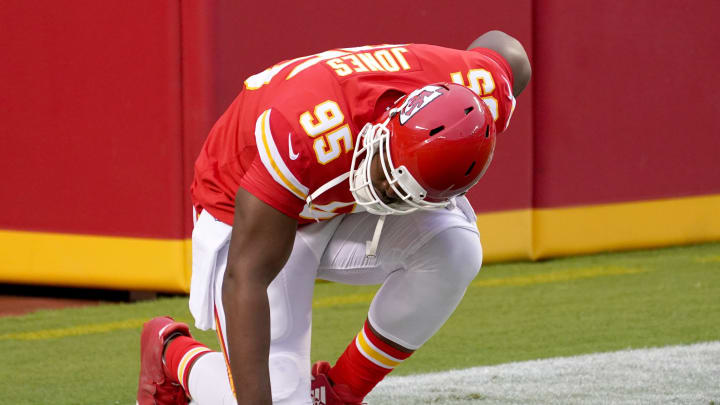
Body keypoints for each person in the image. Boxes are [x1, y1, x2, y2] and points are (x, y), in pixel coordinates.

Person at [137, 30, 531, 405]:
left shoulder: (478, 96)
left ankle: (337, 391)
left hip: (337, 196)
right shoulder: (303, 131)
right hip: (249, 209)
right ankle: (172, 352)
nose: (388, 197)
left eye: (404, 195)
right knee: (265, 396)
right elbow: (246, 277)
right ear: (385, 129)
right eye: (389, 180)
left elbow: (509, 53)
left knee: (456, 248)